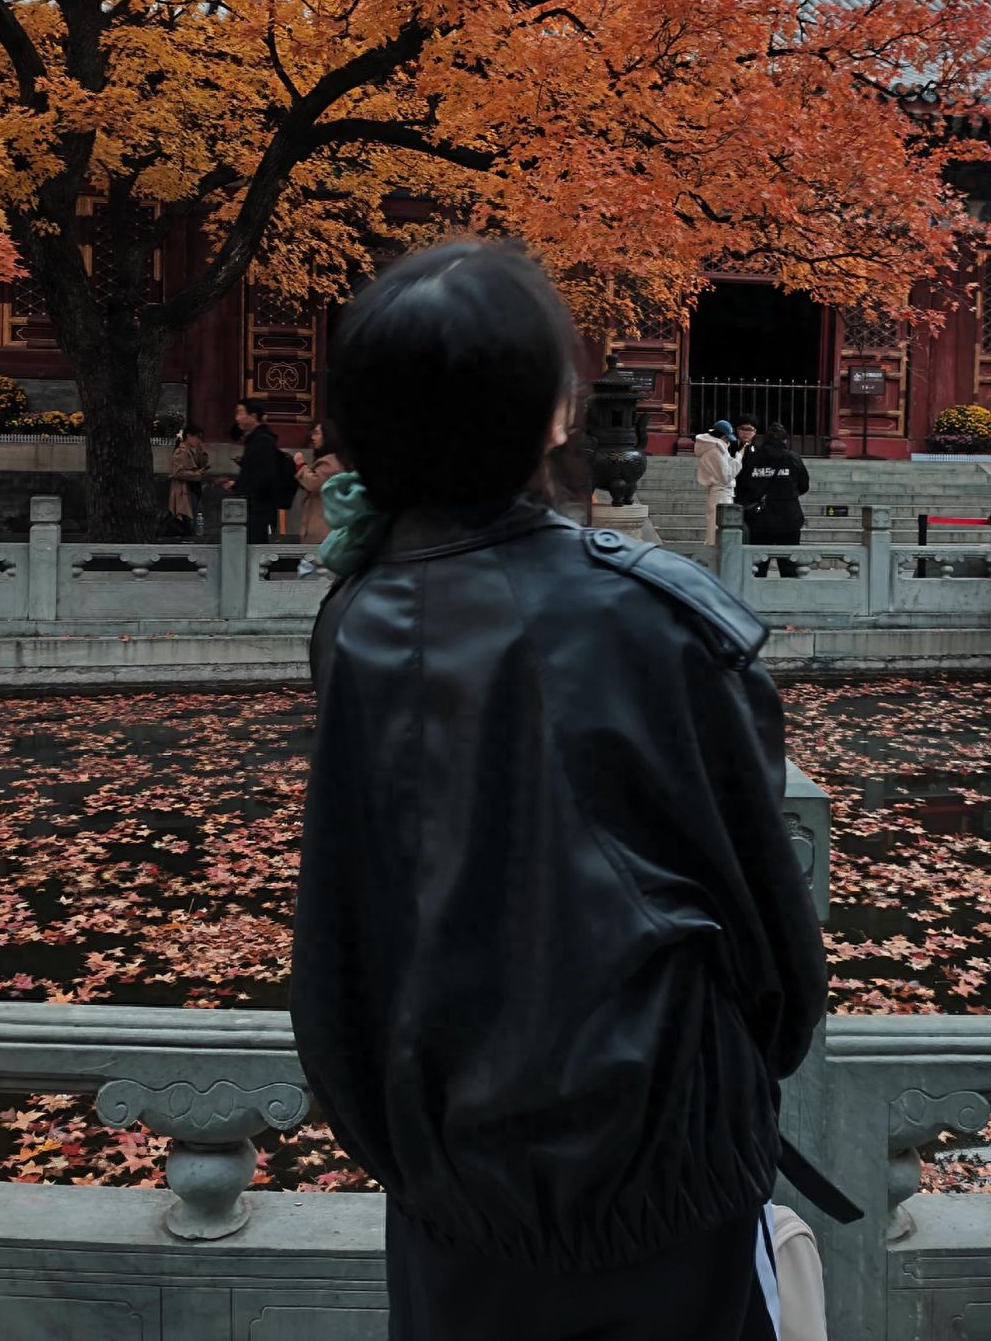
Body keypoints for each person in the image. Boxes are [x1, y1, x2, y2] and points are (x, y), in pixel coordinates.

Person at [291, 241, 830, 1341]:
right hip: (660, 1167)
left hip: (446, 1167)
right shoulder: (656, 615)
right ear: (549, 415)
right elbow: (767, 927)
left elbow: (346, 915)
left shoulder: (355, 619)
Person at [737, 422, 810, 579]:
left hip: (759, 517)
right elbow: (804, 485)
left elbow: (741, 486)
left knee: (758, 565)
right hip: (789, 517)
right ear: (785, 440)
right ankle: (789, 597)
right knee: (789, 563)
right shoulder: (793, 458)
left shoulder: (752, 458)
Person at [223, 399, 284, 543]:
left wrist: (244, 486)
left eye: (240, 413)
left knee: (255, 543)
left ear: (253, 416)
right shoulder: (255, 439)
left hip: (258, 504)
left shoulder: (262, 440)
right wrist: (237, 484)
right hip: (253, 502)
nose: (237, 418)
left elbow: (264, 474)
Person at [294, 416, 343, 546]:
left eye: (316, 433)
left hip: (324, 528)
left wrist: (301, 466)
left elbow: (314, 483)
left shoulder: (332, 461)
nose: (313, 438)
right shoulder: (327, 459)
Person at [694, 417, 742, 547]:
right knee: (717, 532)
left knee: (715, 529)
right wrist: (738, 460)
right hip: (720, 493)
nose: (728, 441)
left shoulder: (713, 448)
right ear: (720, 436)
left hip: (719, 493)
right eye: (726, 438)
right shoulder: (715, 451)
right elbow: (725, 477)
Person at [166, 423, 209, 537]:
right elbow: (177, 472)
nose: (199, 440)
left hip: (192, 489)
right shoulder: (181, 451)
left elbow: (200, 464)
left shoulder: (191, 451)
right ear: (189, 436)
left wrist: (201, 453)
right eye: (197, 437)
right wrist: (195, 474)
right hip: (184, 490)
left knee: (192, 517)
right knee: (186, 519)